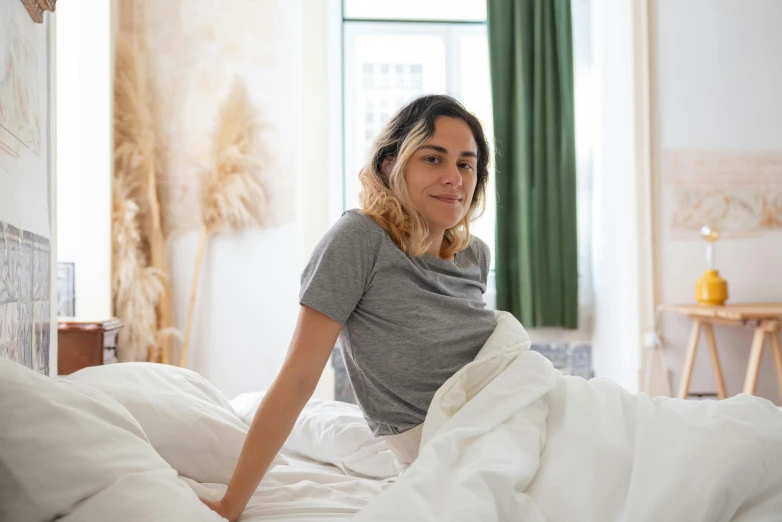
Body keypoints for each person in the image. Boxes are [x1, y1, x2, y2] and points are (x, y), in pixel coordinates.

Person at [202, 94, 497, 521]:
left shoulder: (475, 256)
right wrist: (231, 504)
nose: (454, 177)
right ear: (389, 165)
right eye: (433, 159)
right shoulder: (359, 240)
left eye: (466, 164)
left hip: (503, 423)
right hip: (446, 451)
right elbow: (299, 377)